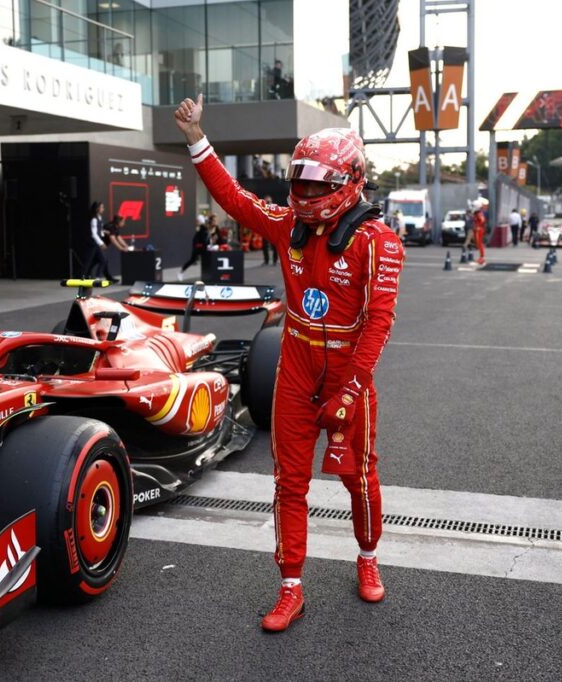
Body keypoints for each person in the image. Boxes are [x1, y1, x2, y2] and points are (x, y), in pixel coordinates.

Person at [175, 94, 404, 631]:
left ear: (349, 182)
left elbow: (379, 323)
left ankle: (367, 559)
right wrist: (195, 136)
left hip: (349, 376)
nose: (304, 194)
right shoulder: (286, 225)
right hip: (296, 369)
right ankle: (290, 588)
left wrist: (352, 389)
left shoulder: (379, 243)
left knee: (361, 479)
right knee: (288, 482)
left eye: (316, 186)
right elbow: (235, 199)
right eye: (299, 183)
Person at [82, 201, 114, 282]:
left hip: (96, 243)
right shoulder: (94, 219)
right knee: (89, 261)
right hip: (93, 243)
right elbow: (94, 234)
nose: (103, 209)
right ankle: (84, 277)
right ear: (97, 209)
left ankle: (95, 276)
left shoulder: (99, 218)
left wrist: (104, 232)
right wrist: (102, 243)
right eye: (102, 207)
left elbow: (99, 231)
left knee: (101, 260)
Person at [178, 216, 210, 280]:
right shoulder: (200, 229)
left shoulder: (202, 229)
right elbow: (201, 239)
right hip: (198, 248)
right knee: (193, 260)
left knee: (204, 261)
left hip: (201, 247)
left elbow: (204, 239)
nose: (196, 222)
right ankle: (181, 271)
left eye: (197, 221)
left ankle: (207, 277)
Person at [465, 198, 487, 265]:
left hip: (479, 229)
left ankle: (482, 258)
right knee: (478, 244)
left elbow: (482, 220)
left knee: (479, 244)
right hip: (477, 229)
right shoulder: (477, 213)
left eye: (473, 206)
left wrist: (478, 226)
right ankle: (481, 257)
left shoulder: (479, 213)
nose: (472, 207)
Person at [261, 194, 279, 265]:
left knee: (274, 246)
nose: (268, 201)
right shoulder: (263, 208)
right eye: (266, 200)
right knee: (264, 246)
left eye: (269, 200)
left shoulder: (275, 207)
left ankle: (275, 260)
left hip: (273, 229)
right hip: (265, 229)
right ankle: (266, 260)